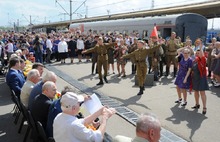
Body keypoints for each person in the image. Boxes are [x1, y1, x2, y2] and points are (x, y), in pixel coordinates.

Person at [191, 44, 209, 115]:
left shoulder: (203, 59)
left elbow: (202, 55)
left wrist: (200, 48)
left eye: (199, 53)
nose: (198, 54)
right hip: (195, 78)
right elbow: (192, 69)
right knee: (195, 92)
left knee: (202, 93)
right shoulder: (195, 60)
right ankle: (197, 104)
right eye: (197, 53)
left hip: (201, 78)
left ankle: (204, 107)